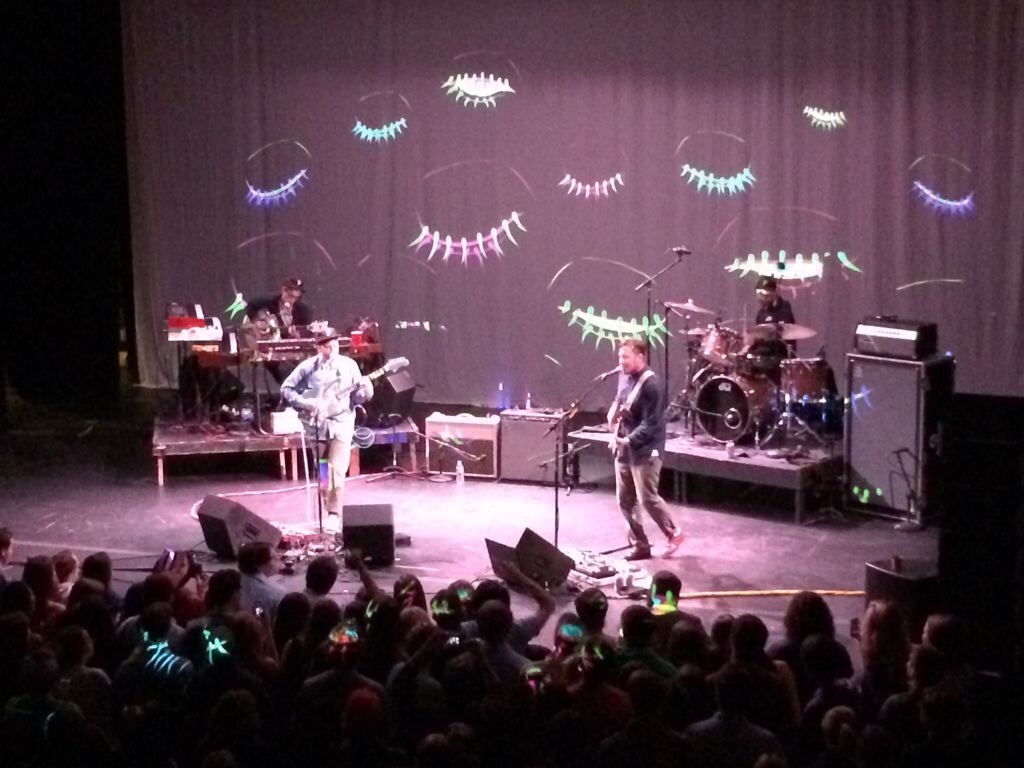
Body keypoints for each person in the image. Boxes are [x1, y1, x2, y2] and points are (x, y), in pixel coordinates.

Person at [281, 331, 374, 530]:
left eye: (335, 346)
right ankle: (329, 510)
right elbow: (286, 389)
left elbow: (357, 397)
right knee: (323, 472)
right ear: (318, 347)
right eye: (327, 347)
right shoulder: (308, 367)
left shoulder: (349, 365)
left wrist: (366, 390)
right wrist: (306, 403)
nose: (332, 351)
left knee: (337, 469)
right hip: (317, 426)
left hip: (342, 423)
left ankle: (334, 514)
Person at [607, 338, 685, 560]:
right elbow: (620, 402)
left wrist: (628, 440)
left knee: (647, 497)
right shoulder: (624, 377)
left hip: (647, 448)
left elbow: (652, 424)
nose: (621, 361)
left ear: (640, 357)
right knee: (625, 499)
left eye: (625, 357)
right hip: (624, 446)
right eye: (620, 357)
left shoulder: (652, 385)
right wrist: (613, 414)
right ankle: (640, 544)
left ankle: (674, 532)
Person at [245, 277, 313, 339]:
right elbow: (251, 305)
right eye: (290, 296)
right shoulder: (269, 301)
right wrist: (257, 321)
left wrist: (298, 336)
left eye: (296, 297)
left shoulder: (303, 311)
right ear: (283, 290)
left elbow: (305, 334)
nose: (292, 300)